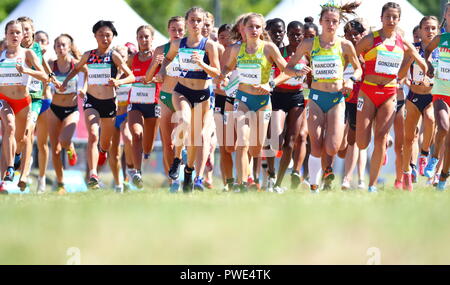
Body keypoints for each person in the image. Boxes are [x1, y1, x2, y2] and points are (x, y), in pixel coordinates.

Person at [286, 2, 362, 192]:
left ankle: (325, 172)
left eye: (334, 21)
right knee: (317, 146)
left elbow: (359, 68)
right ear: (320, 21)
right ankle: (313, 185)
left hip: (337, 99)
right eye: (327, 20)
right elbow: (288, 67)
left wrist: (351, 80)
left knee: (333, 147)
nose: (330, 24)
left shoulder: (344, 45)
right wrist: (297, 70)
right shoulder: (309, 43)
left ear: (338, 24)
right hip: (316, 98)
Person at [355, 2, 427, 192]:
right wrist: (358, 65)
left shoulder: (401, 41)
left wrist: (427, 68)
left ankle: (372, 185)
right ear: (381, 18)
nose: (391, 20)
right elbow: (350, 53)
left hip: (389, 93)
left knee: (380, 138)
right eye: (388, 16)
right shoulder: (371, 39)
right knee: (362, 142)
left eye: (395, 17)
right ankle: (378, 137)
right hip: (368, 91)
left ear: (399, 20)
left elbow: (418, 57)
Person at [60, 20, 135, 190]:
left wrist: (117, 81)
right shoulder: (89, 55)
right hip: (91, 101)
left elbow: (130, 76)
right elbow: (76, 69)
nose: (104, 38)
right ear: (95, 36)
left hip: (109, 103)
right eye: (101, 34)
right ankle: (93, 173)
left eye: (108, 35)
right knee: (93, 134)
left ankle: (101, 153)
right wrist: (65, 82)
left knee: (105, 144)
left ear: (113, 37)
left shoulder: (114, 56)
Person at [219, 12, 289, 192]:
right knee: (241, 142)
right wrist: (225, 75)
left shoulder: (269, 48)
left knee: (255, 149)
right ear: (243, 29)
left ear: (262, 28)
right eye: (250, 26)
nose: (254, 30)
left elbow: (286, 70)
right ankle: (241, 183)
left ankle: (247, 176)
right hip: (242, 99)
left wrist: (270, 83)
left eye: (258, 27)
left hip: (263, 102)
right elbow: (228, 66)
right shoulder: (237, 49)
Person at [157, 7, 220, 193]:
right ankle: (177, 159)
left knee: (194, 139)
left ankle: (189, 171)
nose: (195, 24)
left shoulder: (209, 46)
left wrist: (202, 64)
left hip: (202, 95)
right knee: (184, 120)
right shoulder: (178, 43)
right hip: (181, 91)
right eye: (192, 20)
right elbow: (167, 60)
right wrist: (164, 71)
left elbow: (217, 72)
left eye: (199, 20)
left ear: (203, 23)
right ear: (187, 22)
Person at [0, 20, 48, 194]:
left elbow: (44, 76)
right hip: (3, 99)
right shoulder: (1, 52)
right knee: (9, 127)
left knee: (23, 138)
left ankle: (21, 168)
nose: (14, 36)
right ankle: (10, 168)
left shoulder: (27, 54)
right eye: (11, 32)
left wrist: (27, 71)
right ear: (6, 34)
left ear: (22, 35)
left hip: (23, 101)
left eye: (17, 33)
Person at [266, 20, 308, 193]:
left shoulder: (307, 54)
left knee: (291, 142)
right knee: (275, 140)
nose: (295, 37)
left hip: (296, 97)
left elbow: (312, 78)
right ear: (287, 35)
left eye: (299, 34)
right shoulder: (280, 52)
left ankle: (277, 184)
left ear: (303, 36)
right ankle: (271, 172)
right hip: (278, 96)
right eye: (292, 34)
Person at [399, 16, 440, 191]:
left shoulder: (441, 50)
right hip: (414, 96)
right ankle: (407, 172)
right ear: (420, 31)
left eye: (433, 28)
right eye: (426, 28)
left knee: (430, 119)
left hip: (432, 95)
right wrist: (409, 60)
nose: (429, 31)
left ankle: (424, 155)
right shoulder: (413, 49)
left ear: (437, 30)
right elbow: (401, 74)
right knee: (408, 139)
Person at [146, 16, 185, 193]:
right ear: (168, 30)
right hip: (165, 98)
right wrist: (156, 66)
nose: (177, 33)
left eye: (180, 30)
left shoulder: (190, 48)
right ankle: (172, 180)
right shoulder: (161, 50)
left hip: (184, 97)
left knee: (180, 138)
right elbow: (148, 78)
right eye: (173, 29)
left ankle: (185, 171)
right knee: (167, 143)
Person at [16, 17, 54, 192]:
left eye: (26, 29)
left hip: (39, 98)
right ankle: (24, 159)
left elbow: (44, 65)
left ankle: (41, 178)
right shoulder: (15, 51)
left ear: (32, 31)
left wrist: (52, 77)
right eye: (20, 29)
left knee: (41, 141)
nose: (23, 33)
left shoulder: (38, 47)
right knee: (24, 136)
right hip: (22, 98)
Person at [47, 34, 86, 194]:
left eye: (64, 45)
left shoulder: (76, 64)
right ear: (54, 47)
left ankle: (70, 147)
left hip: (71, 109)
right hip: (54, 109)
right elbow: (43, 76)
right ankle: (60, 183)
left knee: (64, 141)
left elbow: (88, 74)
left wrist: (84, 88)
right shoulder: (51, 64)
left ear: (69, 47)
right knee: (55, 150)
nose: (61, 48)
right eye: (58, 45)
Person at [126, 25, 162, 189]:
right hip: (135, 103)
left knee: (148, 146)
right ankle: (137, 173)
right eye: (141, 37)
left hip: (153, 103)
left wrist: (154, 79)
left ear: (152, 39)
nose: (144, 40)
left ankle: (145, 155)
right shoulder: (132, 58)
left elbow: (164, 77)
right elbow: (124, 74)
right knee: (136, 134)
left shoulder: (158, 57)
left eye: (147, 36)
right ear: (137, 39)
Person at [423, 2, 450, 190]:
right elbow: (426, 51)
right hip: (441, 90)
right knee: (443, 126)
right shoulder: (441, 39)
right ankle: (433, 158)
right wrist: (430, 67)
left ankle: (443, 177)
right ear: (446, 15)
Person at [341, 18, 368, 190]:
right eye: (349, 35)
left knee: (360, 140)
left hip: (362, 98)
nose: (353, 38)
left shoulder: (368, 52)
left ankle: (355, 180)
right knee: (341, 146)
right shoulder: (341, 52)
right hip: (343, 99)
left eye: (356, 34)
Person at [110, 45, 134, 192]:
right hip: (112, 115)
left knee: (128, 138)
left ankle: (131, 170)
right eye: (117, 55)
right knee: (114, 152)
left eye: (124, 55)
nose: (121, 58)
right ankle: (118, 182)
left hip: (127, 114)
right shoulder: (110, 73)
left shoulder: (130, 74)